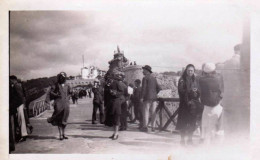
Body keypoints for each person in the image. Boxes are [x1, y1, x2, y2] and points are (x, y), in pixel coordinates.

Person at [175, 64, 202, 145]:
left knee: (192, 123)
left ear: (194, 71)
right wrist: (190, 92)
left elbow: (199, 91)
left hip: (193, 106)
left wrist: (197, 93)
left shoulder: (196, 80)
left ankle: (190, 139)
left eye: (192, 71)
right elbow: (180, 91)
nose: (190, 72)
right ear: (186, 71)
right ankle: (182, 140)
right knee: (183, 123)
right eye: (188, 70)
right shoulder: (182, 80)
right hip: (184, 104)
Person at [199, 63, 224, 144]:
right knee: (217, 128)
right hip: (218, 106)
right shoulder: (219, 78)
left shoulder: (201, 80)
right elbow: (221, 91)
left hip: (206, 107)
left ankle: (207, 146)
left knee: (206, 129)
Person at [47, 72, 71, 140]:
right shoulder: (56, 85)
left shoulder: (67, 85)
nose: (62, 79)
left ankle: (63, 134)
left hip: (66, 104)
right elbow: (51, 92)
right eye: (61, 77)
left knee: (65, 119)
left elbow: (70, 93)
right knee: (60, 119)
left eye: (63, 78)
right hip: (58, 103)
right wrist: (56, 95)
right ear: (59, 78)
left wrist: (67, 97)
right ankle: (60, 134)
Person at [140, 65, 161, 132]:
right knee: (153, 112)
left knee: (146, 112)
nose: (142, 71)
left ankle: (145, 127)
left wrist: (142, 97)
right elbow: (159, 88)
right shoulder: (154, 78)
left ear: (146, 71)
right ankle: (153, 127)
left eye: (143, 70)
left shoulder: (145, 78)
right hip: (154, 98)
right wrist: (155, 94)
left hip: (147, 98)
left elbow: (144, 89)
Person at [108, 71, 126, 140]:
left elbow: (121, 92)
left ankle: (116, 133)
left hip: (116, 102)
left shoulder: (118, 83)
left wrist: (115, 93)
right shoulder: (111, 83)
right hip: (112, 102)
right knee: (113, 118)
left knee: (116, 118)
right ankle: (114, 133)